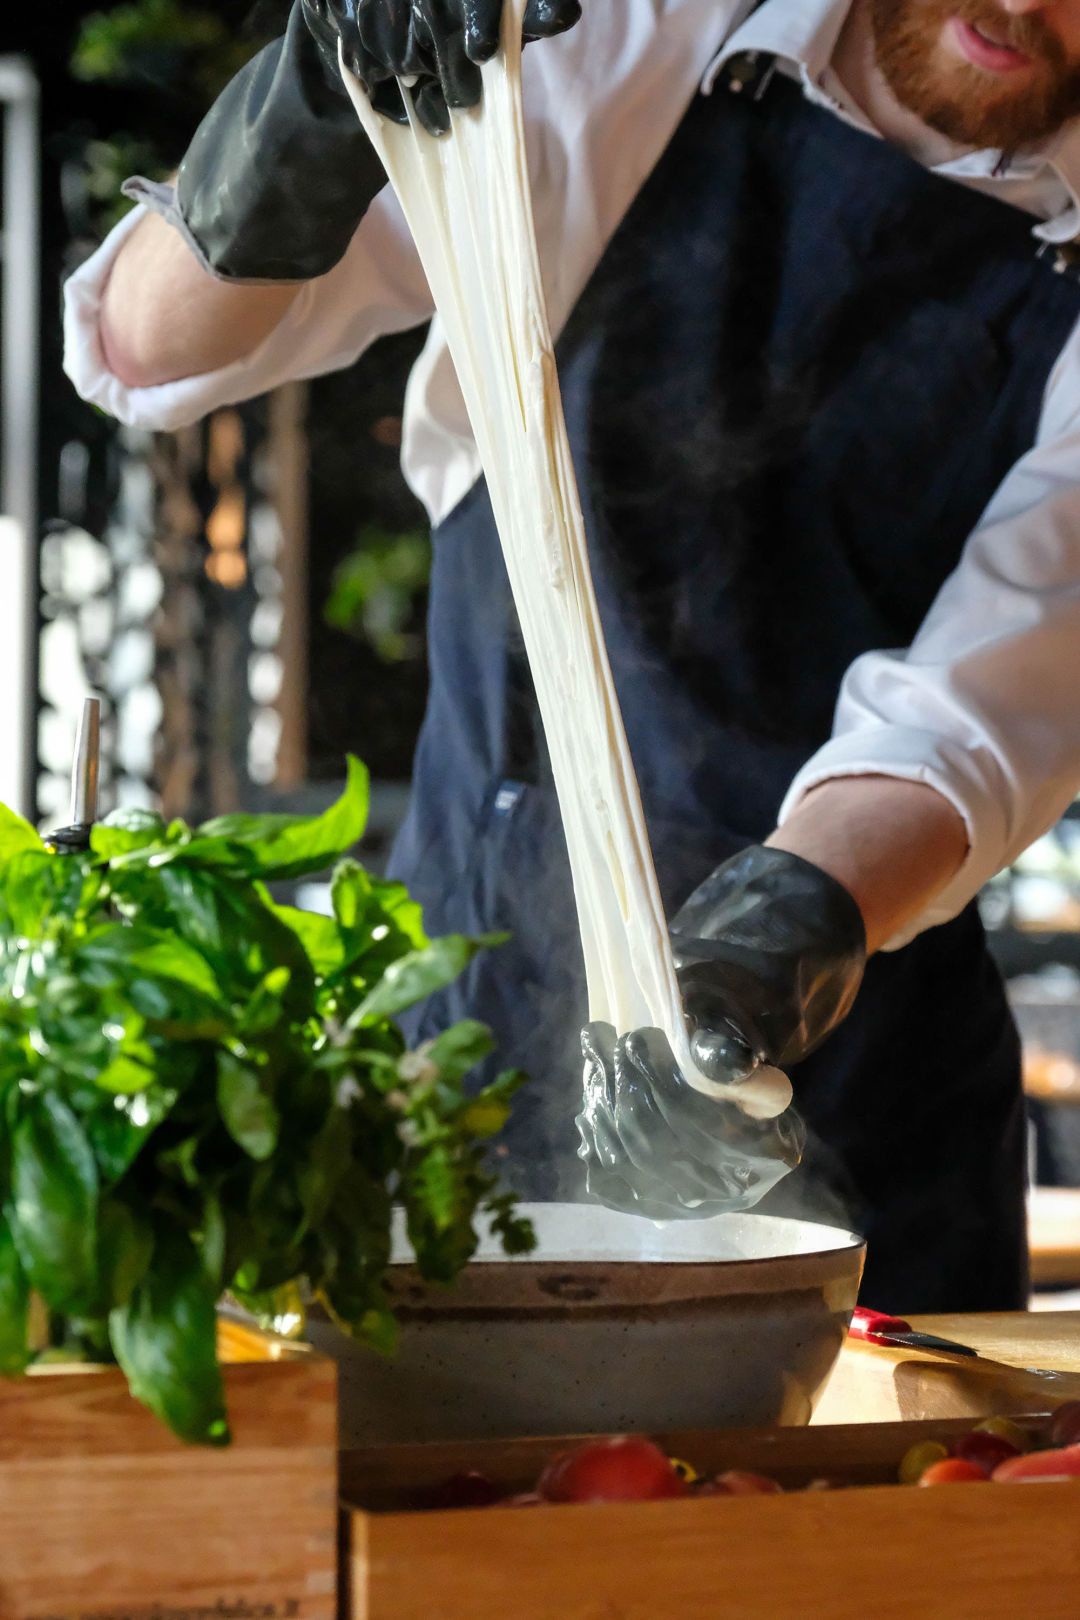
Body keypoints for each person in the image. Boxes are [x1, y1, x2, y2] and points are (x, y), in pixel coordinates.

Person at [63, 0, 1080, 1310]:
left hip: (822, 1074)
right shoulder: (620, 38)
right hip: (453, 1030)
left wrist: (749, 965)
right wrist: (316, 89)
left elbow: (974, 719)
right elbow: (147, 346)